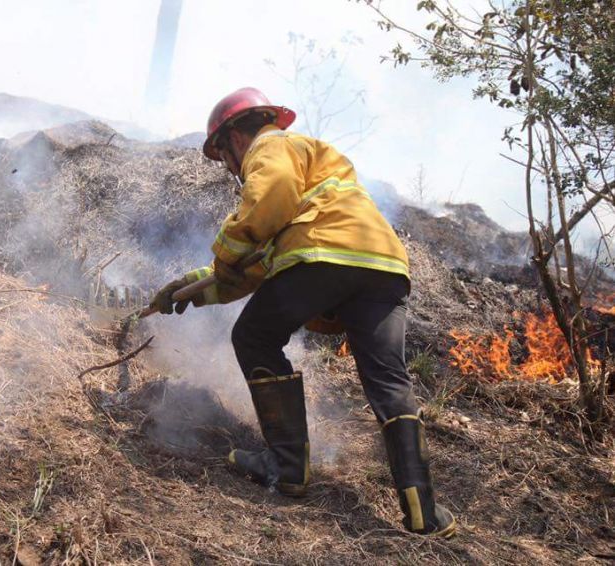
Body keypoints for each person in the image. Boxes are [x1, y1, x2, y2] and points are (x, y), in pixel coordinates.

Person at [149, 87, 456, 538]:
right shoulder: (311, 176)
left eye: (224, 157)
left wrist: (222, 256)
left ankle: (287, 465)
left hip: (326, 255)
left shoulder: (270, 145)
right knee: (388, 381)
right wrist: (190, 290)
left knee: (254, 337)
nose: (232, 169)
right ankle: (423, 512)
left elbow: (269, 205)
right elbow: (264, 263)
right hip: (383, 265)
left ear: (235, 136)